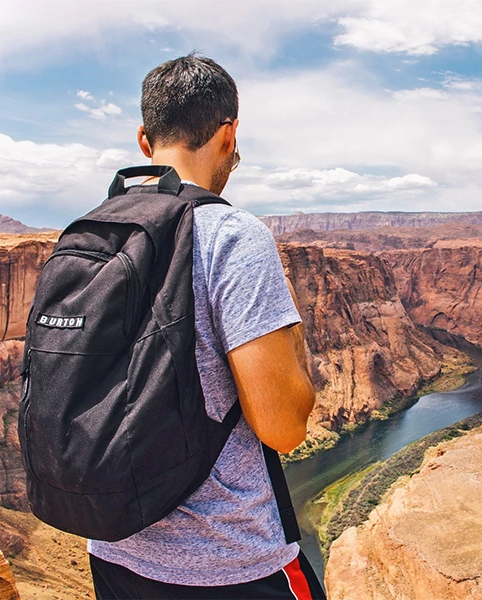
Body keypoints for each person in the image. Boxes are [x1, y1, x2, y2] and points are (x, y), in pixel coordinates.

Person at [86, 53, 325, 600]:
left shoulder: (95, 237)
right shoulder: (232, 234)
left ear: (144, 141)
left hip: (115, 554)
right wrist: (294, 340)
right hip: (229, 567)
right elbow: (284, 429)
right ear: (229, 133)